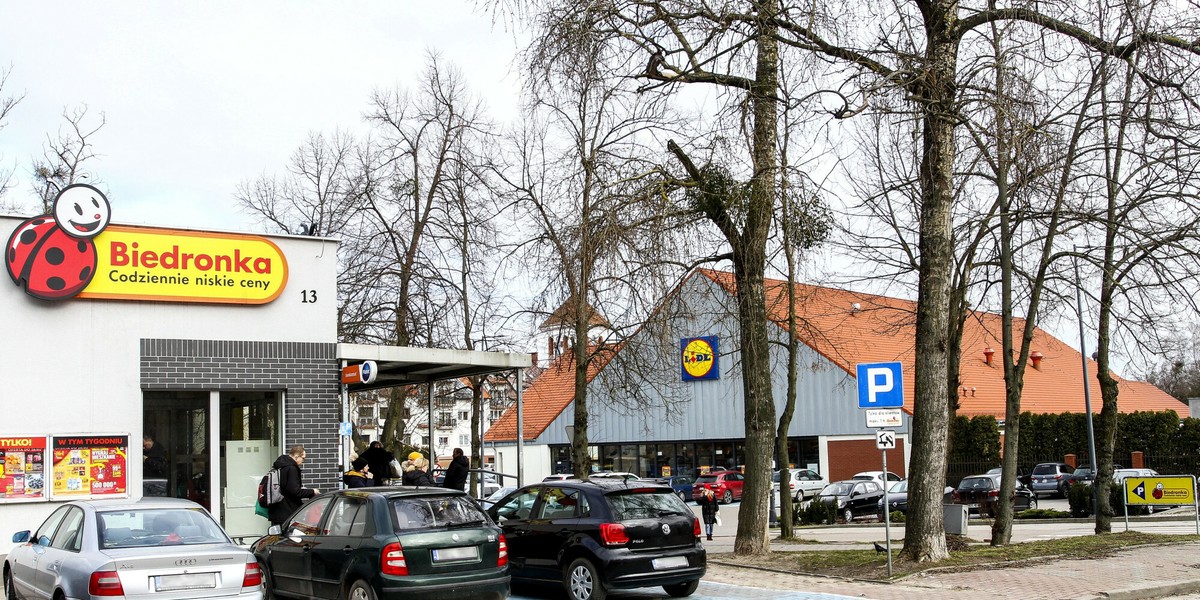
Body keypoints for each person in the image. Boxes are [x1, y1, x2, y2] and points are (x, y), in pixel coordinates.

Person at [268, 445, 319, 527]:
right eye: (303, 458)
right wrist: (312, 491)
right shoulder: (291, 468)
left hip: (277, 512)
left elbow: (285, 488)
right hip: (288, 513)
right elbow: (295, 492)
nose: (303, 461)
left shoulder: (280, 466)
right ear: (296, 456)